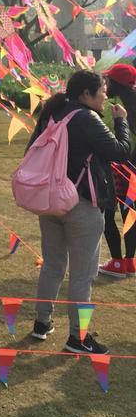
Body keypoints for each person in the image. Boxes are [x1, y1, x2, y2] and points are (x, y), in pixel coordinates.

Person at [27, 70, 130, 355]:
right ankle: (78, 338)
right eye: (102, 90)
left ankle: (42, 323)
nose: (106, 95)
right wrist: (121, 121)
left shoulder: (53, 112)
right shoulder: (86, 118)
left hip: (49, 200)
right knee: (82, 274)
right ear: (86, 93)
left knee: (52, 265)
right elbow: (120, 151)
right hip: (81, 204)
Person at [99, 64, 136, 277]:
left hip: (115, 166)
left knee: (107, 212)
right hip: (134, 169)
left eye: (108, 80)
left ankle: (116, 262)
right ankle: (130, 261)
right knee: (130, 214)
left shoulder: (110, 104)